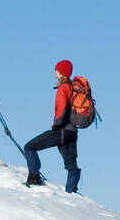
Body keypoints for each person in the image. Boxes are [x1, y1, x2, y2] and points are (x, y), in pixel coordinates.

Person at [24, 60, 81, 193]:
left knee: (29, 147)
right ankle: (71, 192)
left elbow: (60, 109)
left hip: (61, 131)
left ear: (61, 72)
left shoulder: (63, 88)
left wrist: (56, 125)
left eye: (56, 69)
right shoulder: (74, 87)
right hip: (72, 132)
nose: (54, 71)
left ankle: (34, 177)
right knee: (71, 164)